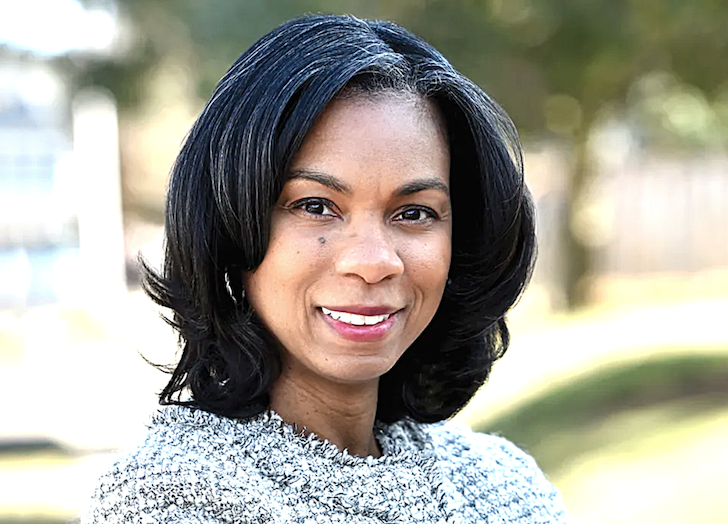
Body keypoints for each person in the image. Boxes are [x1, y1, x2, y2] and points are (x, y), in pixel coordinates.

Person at [83, 13, 569, 524]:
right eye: (315, 206)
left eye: (414, 213)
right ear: (230, 226)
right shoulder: (169, 497)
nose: (373, 261)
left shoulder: (507, 485)